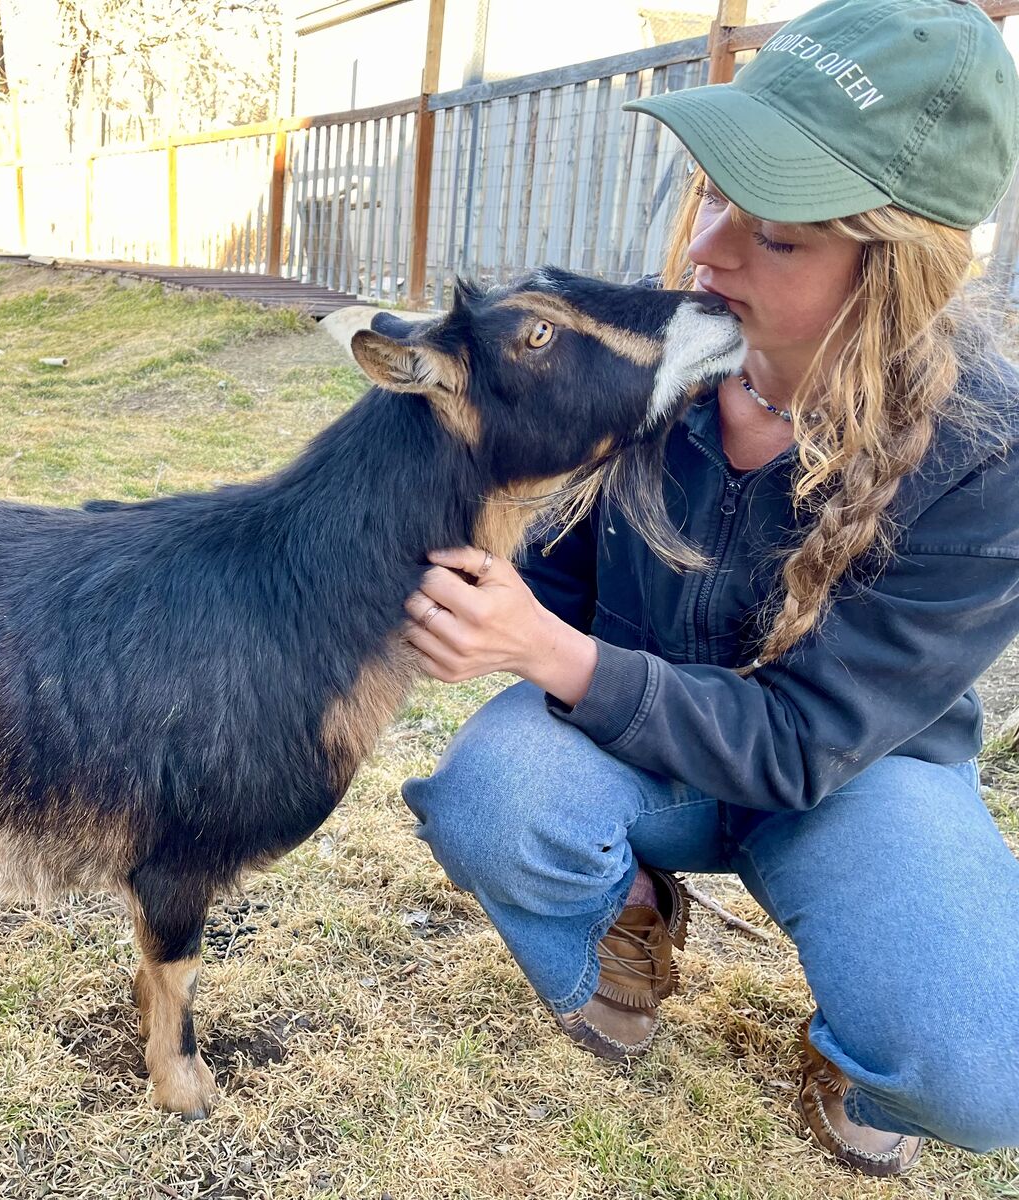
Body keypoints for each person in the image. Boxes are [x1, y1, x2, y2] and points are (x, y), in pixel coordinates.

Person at [398, 0, 1019, 1176]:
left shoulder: (989, 450)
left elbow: (801, 743)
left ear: (898, 272)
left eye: (776, 238)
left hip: (847, 784)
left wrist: (549, 655)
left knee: (987, 1074)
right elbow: (553, 580)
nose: (707, 251)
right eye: (719, 196)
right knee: (492, 793)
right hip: (639, 747)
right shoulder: (661, 357)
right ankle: (626, 916)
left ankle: (872, 1047)